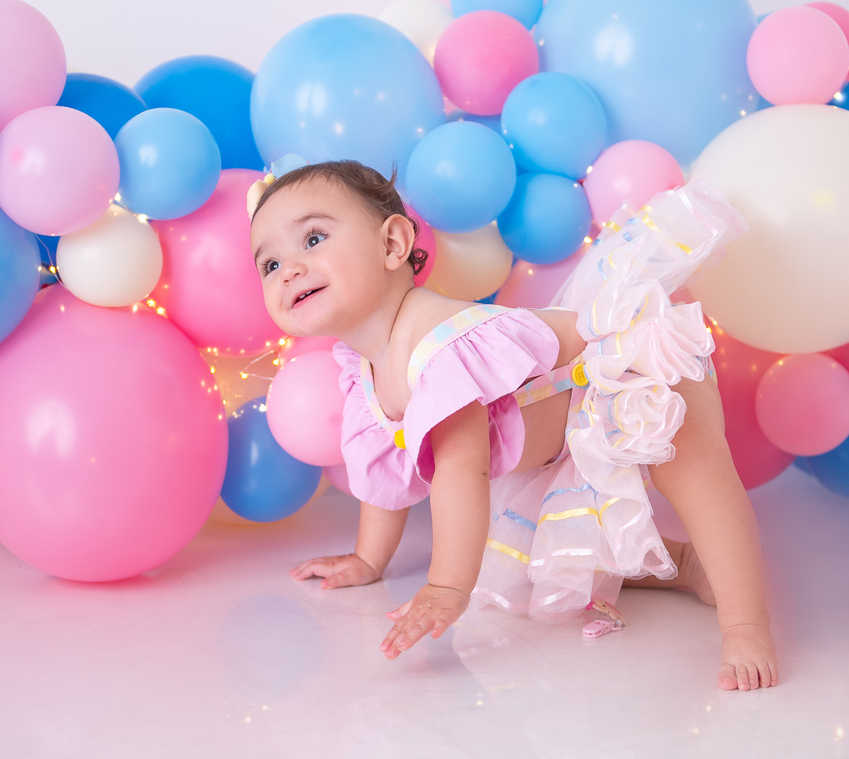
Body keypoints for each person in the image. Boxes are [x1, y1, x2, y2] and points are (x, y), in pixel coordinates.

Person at [248, 158, 777, 690]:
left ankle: (746, 624)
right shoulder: (361, 369)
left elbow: (462, 470)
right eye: (269, 264)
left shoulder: (437, 341)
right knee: (544, 555)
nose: (289, 269)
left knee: (694, 471)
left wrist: (447, 588)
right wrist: (369, 560)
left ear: (392, 244)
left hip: (627, 369)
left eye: (313, 239)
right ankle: (686, 564)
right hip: (558, 434)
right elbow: (387, 473)